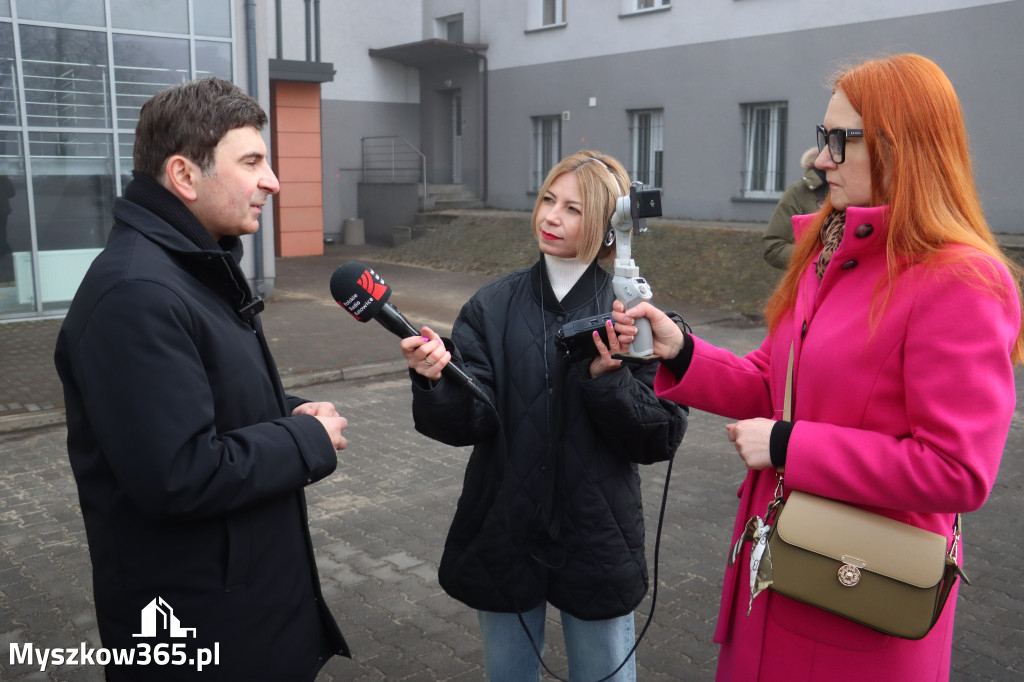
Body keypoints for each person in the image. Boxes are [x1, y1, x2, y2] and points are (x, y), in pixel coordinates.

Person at [612, 54, 1023, 680]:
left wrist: (786, 445)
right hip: (776, 571)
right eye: (821, 137)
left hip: (858, 597)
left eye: (840, 140)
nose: (823, 158)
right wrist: (682, 349)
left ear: (899, 146)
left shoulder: (961, 280)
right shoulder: (832, 248)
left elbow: (956, 470)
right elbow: (773, 382)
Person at [53, 77, 350, 681]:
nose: (272, 181)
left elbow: (201, 400)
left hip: (242, 614)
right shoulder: (137, 293)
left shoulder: (192, 266)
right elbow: (178, 473)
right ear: (184, 176)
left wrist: (286, 410)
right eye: (252, 162)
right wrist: (305, 443)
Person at [399, 150, 686, 681]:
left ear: (608, 225)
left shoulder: (638, 316)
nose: (551, 217)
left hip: (598, 530)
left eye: (573, 209)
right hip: (505, 523)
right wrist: (435, 378)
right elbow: (469, 421)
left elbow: (658, 437)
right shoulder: (492, 306)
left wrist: (609, 379)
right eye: (548, 200)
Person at [761, 146, 828, 269]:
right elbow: (773, 247)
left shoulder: (864, 188)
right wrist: (819, 257)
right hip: (815, 283)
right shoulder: (799, 191)